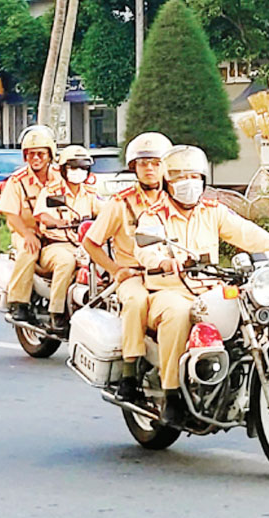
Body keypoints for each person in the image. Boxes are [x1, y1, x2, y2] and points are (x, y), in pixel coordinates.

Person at [133, 145, 269, 423]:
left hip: (210, 287)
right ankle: (172, 393)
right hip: (169, 289)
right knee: (178, 315)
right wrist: (161, 260)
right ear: (167, 182)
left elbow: (245, 232)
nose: (188, 183)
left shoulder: (213, 212)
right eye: (179, 177)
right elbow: (143, 247)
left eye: (194, 176)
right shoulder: (154, 215)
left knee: (248, 304)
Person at [83, 132, 174, 401]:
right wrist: (115, 270)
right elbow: (91, 243)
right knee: (136, 301)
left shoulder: (176, 199)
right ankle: (129, 373)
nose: (149, 169)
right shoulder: (120, 203)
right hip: (135, 273)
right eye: (143, 163)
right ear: (133, 167)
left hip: (171, 272)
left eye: (156, 162)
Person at [27, 145, 101, 333]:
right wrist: (58, 221)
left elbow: (104, 211)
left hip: (84, 244)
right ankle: (56, 314)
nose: (78, 172)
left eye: (83, 168)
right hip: (56, 245)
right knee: (66, 262)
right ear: (63, 169)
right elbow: (42, 214)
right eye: (73, 167)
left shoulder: (89, 193)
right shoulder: (51, 191)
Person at [0, 125, 62, 325]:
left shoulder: (60, 177)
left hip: (56, 233)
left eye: (41, 154)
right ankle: (19, 302)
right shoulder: (17, 181)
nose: (36, 158)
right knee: (28, 251)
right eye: (31, 154)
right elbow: (11, 214)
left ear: (50, 155)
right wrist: (27, 234)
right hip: (26, 231)